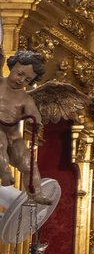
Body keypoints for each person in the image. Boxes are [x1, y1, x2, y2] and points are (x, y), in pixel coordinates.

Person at [0, 51, 53, 203]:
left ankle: (36, 194)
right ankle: (5, 174)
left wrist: (36, 123)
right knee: (0, 143)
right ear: (12, 67)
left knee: (29, 165)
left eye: (27, 79)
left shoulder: (26, 98)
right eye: (20, 74)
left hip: (13, 136)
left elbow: (35, 115)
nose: (21, 80)